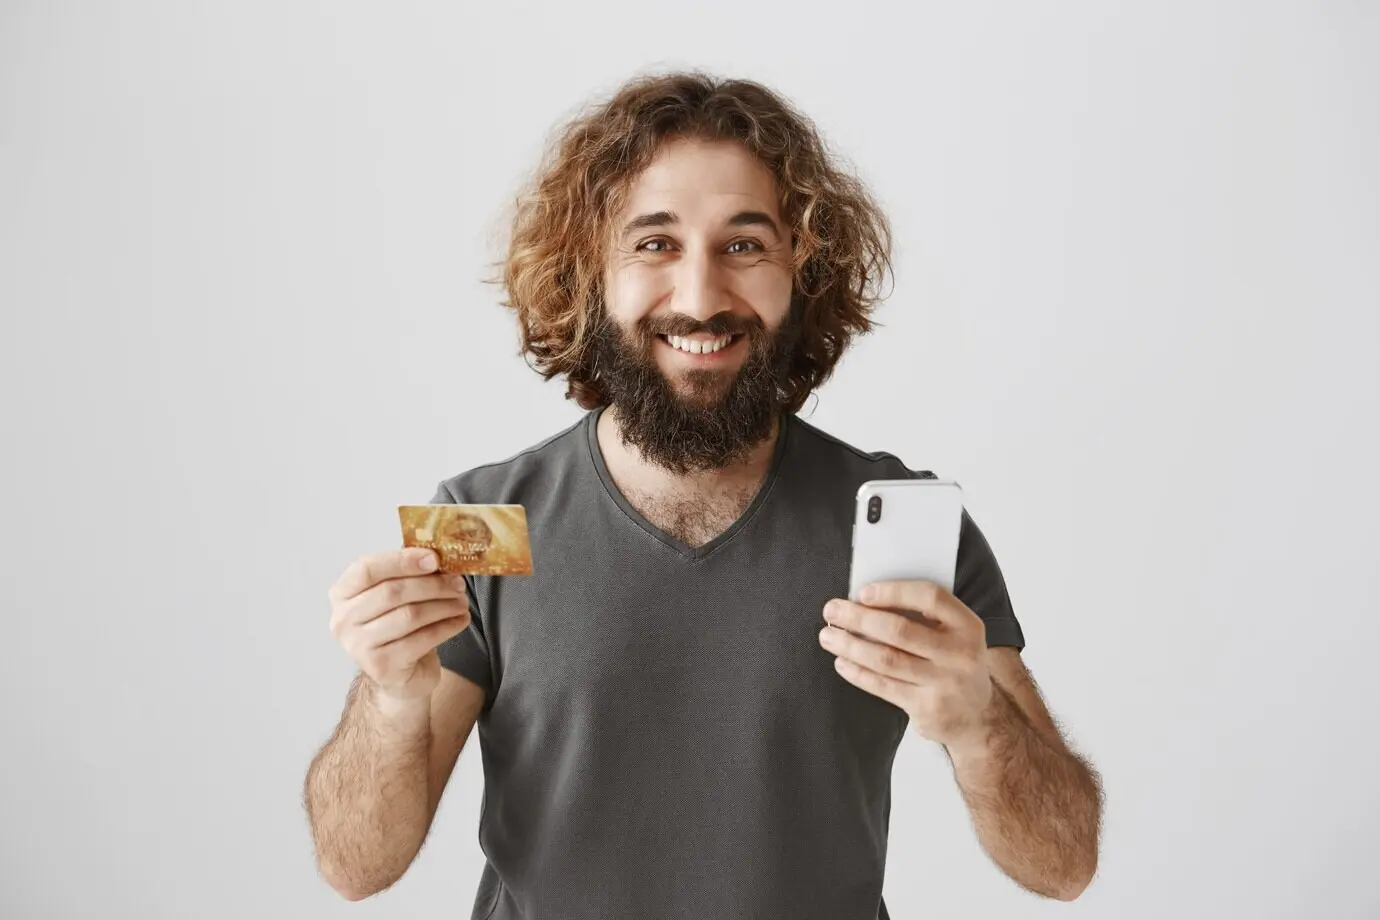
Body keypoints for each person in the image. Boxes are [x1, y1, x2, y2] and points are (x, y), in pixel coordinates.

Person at [303, 71, 1103, 918]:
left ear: (805, 268)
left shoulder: (902, 523)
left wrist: (980, 723)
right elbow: (357, 868)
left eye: (745, 244)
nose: (698, 297)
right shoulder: (484, 521)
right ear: (589, 276)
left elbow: (1065, 867)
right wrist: (390, 698)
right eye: (654, 244)